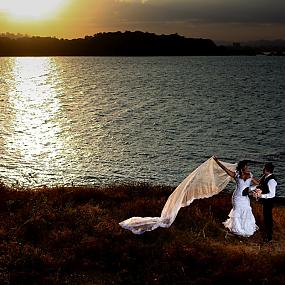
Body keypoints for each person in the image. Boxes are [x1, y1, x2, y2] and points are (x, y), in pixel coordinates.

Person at [213, 156, 259, 237]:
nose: (247, 168)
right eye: (245, 167)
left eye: (247, 167)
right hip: (237, 197)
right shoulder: (236, 175)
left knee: (246, 210)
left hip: (245, 198)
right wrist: (217, 162)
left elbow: (257, 183)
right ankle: (237, 229)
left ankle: (245, 228)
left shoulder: (250, 175)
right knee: (237, 211)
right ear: (242, 168)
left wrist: (250, 189)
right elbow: (225, 170)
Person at [255, 162, 277, 242]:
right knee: (266, 218)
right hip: (266, 202)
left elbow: (272, 194)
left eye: (264, 168)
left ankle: (269, 237)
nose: (262, 169)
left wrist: (261, 196)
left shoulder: (271, 180)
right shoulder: (266, 176)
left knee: (268, 219)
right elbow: (261, 185)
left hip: (269, 202)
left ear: (267, 170)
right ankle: (268, 234)